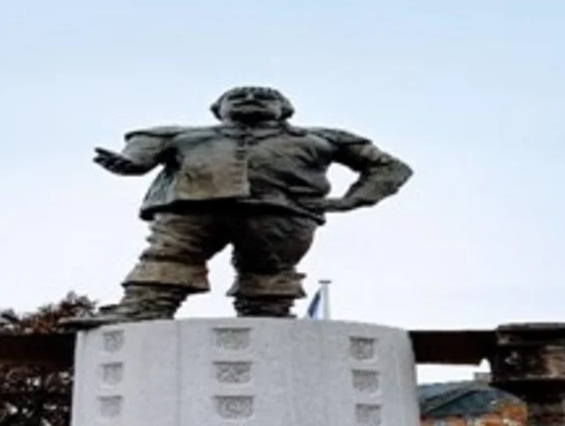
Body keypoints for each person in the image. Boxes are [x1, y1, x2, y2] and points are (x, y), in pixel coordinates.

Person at [79, 86, 412, 323]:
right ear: (218, 109)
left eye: (263, 97)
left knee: (269, 275)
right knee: (168, 258)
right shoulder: (177, 136)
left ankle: (269, 322)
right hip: (192, 210)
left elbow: (389, 168)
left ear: (285, 109)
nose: (250, 99)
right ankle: (143, 309)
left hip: (281, 215)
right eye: (238, 97)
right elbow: (136, 159)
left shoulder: (325, 138)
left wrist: (354, 199)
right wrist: (126, 164)